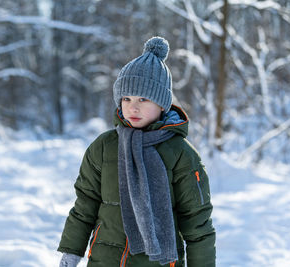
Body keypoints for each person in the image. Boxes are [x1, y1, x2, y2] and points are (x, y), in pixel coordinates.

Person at [57, 36, 216, 267]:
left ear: (162, 104)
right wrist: (72, 251)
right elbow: (85, 204)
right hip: (105, 260)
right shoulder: (103, 147)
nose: (133, 106)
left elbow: (197, 222)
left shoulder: (181, 154)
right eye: (126, 98)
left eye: (143, 98)